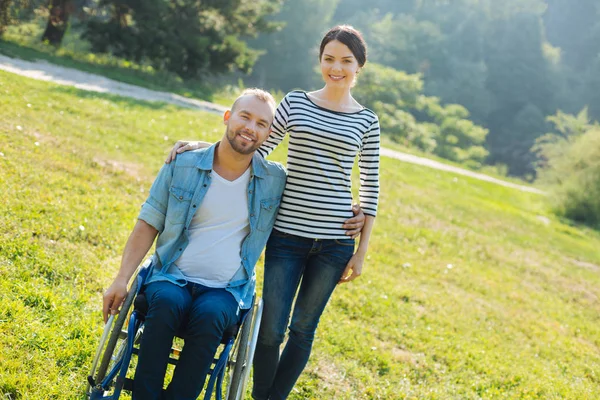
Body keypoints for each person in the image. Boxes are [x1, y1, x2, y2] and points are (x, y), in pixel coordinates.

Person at [167, 25, 380, 400]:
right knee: (270, 331)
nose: (336, 68)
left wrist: (361, 251)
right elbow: (255, 146)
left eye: (346, 61)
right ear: (320, 61)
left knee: (303, 330)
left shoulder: (367, 121)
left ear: (359, 66)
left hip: (335, 242)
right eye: (329, 59)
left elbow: (371, 184)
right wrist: (204, 148)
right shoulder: (297, 103)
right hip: (286, 236)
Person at [102, 89, 286, 400]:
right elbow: (148, 222)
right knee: (167, 304)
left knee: (212, 315)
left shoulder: (275, 180)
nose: (251, 128)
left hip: (227, 288)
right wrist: (121, 279)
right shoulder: (183, 164)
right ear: (227, 117)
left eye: (261, 123)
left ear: (269, 133)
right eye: (245, 117)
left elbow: (315, 194)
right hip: (170, 276)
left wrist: (356, 211)